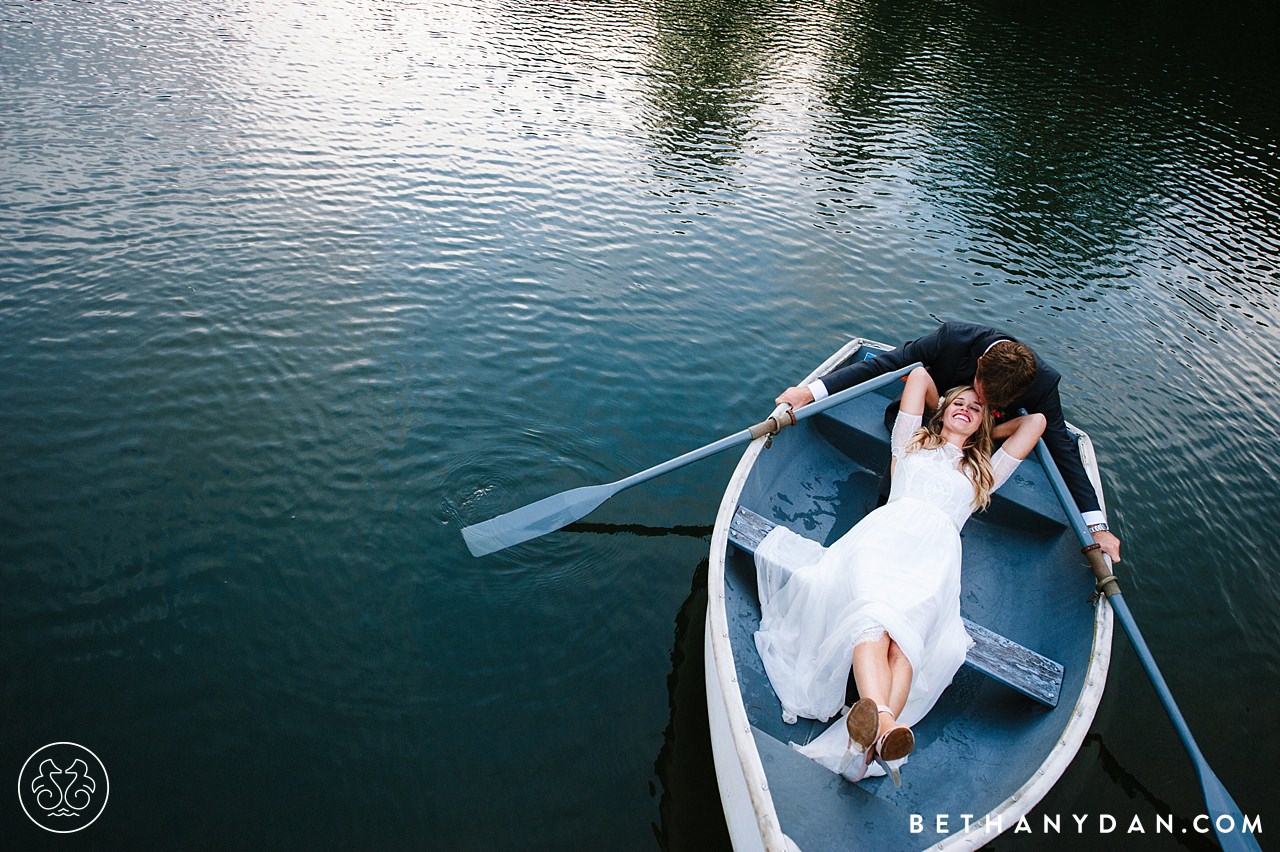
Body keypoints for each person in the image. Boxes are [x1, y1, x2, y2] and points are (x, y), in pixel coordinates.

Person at [754, 367, 1046, 785]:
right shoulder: (908, 442)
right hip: (881, 544)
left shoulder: (985, 470)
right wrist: (949, 404)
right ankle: (886, 727)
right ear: (941, 411)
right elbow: (921, 375)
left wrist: (990, 425)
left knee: (905, 646)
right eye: (958, 404)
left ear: (986, 420)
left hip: (934, 563)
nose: (965, 409)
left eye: (975, 408)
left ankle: (870, 736)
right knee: (873, 625)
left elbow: (1036, 422)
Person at [776, 320, 1120, 562]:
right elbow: (887, 364)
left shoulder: (1041, 382)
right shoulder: (953, 339)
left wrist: (1097, 527)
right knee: (908, 466)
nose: (981, 403)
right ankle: (886, 511)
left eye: (991, 404)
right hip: (924, 419)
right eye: (983, 393)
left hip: (978, 443)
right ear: (981, 363)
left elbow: (1061, 448)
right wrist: (811, 391)